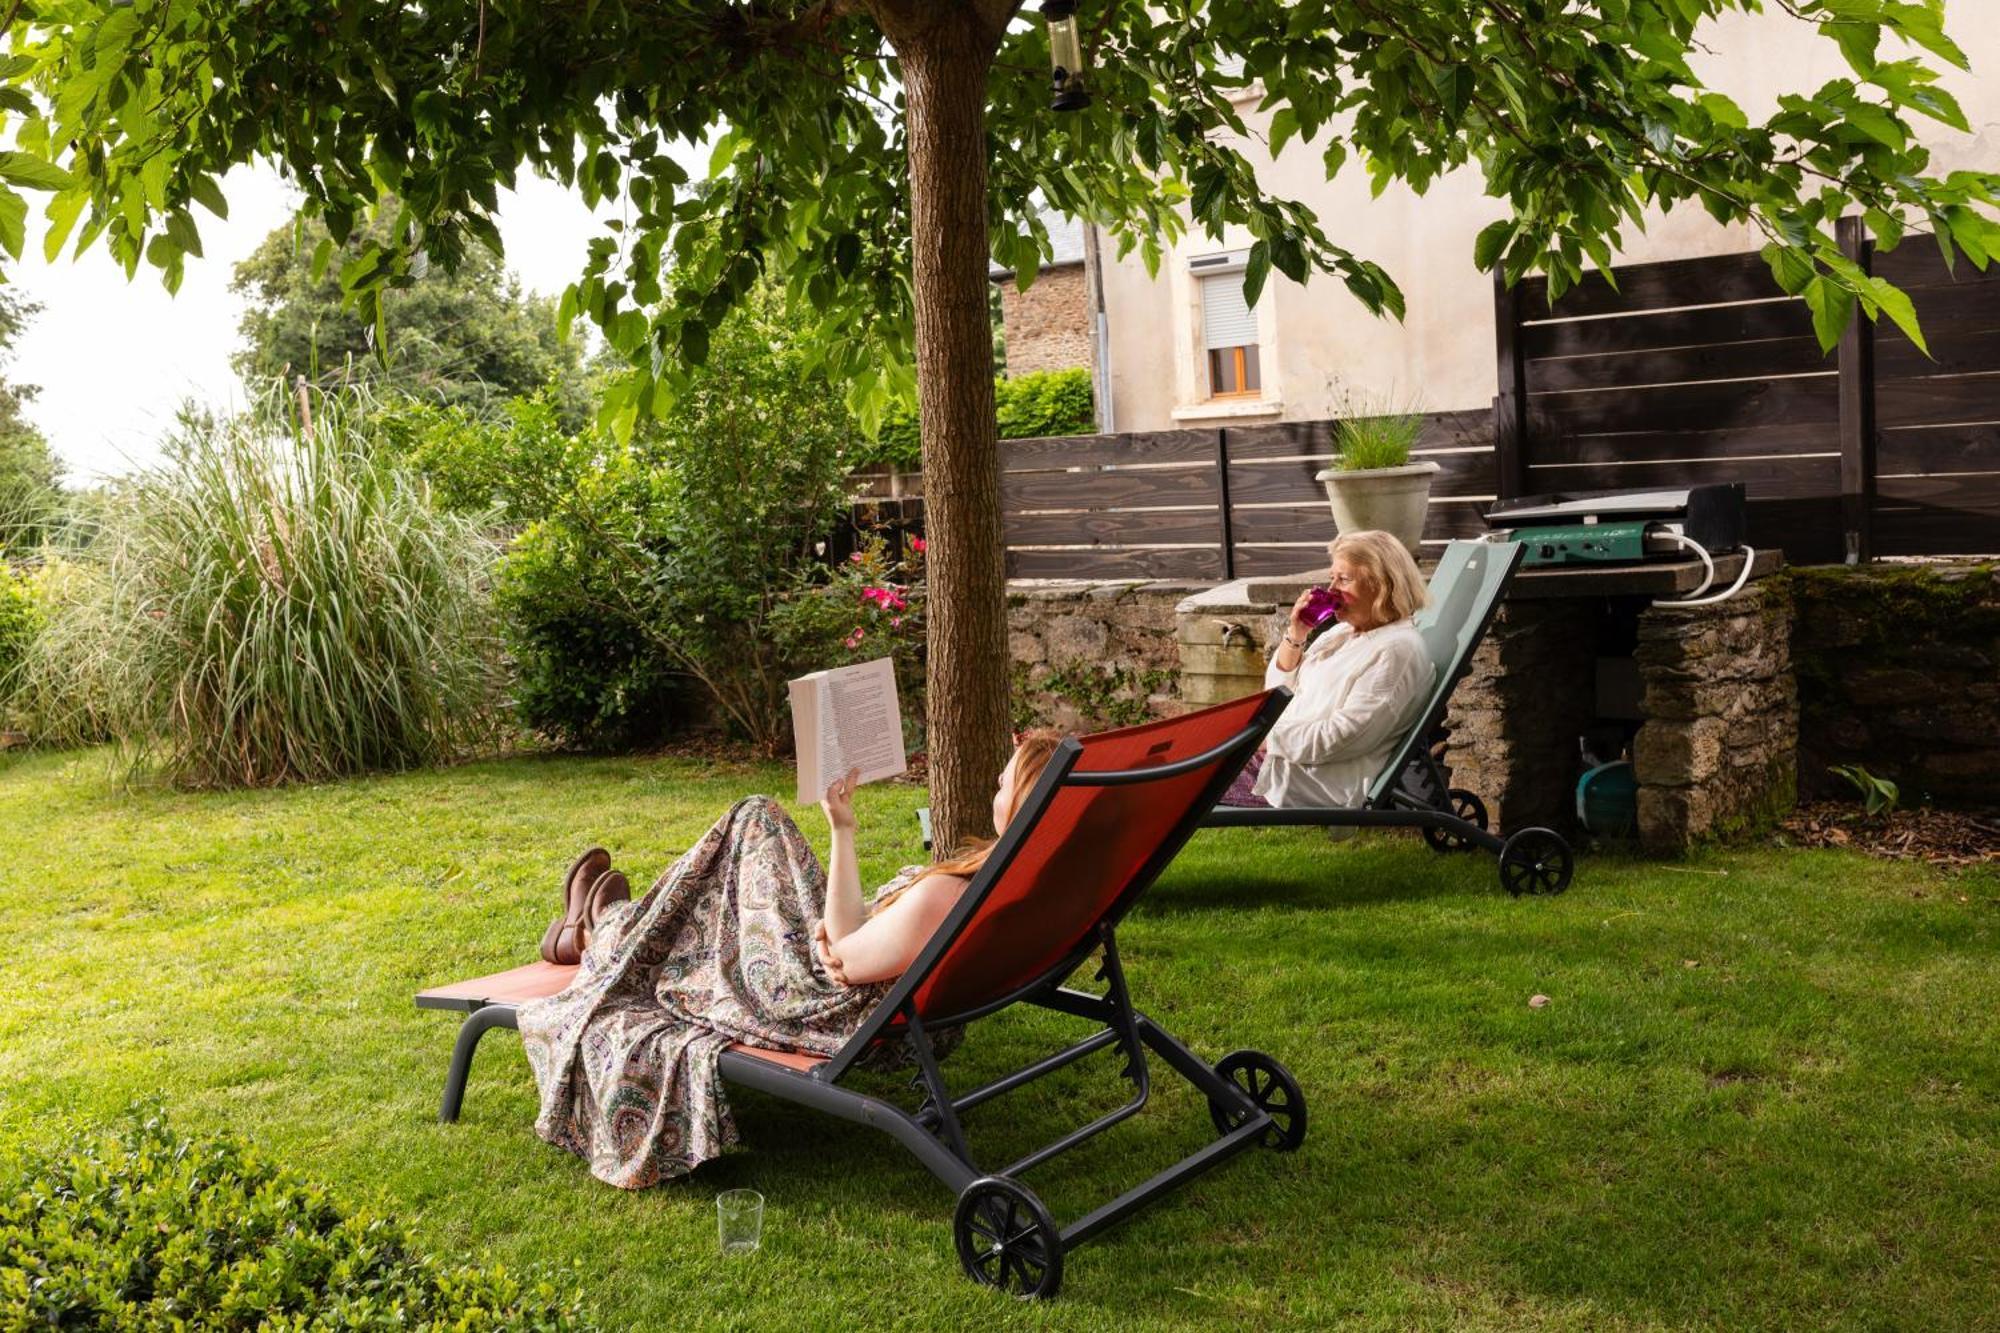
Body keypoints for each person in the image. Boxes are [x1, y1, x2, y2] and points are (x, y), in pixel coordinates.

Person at [518, 730, 1064, 1189]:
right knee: (734, 870)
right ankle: (606, 923)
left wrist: (833, 940)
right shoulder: (1031, 885)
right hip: (861, 982)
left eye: (1005, 778)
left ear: (1022, 801)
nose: (995, 780)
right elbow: (856, 939)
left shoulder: (945, 899)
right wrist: (842, 828)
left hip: (814, 998)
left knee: (753, 821)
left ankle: (600, 930)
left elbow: (843, 960)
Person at [1221, 529, 1435, 810]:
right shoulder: (1341, 633)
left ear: (1382, 585)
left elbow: (1343, 738)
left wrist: (1265, 738)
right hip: (1280, 755)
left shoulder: (1397, 652)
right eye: (1332, 578)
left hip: (1308, 777)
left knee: (1181, 779)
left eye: (1344, 579)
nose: (1331, 590)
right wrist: (1297, 634)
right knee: (1182, 760)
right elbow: (1280, 693)